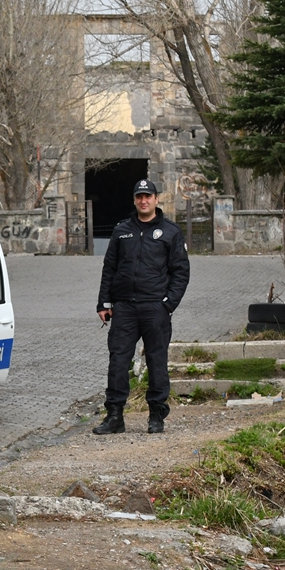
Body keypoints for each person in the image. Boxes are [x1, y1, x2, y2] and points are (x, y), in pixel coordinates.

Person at [93, 179, 190, 435]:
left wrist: (168, 305)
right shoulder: (122, 230)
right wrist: (104, 302)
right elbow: (109, 268)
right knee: (118, 361)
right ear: (134, 200)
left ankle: (156, 416)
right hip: (124, 308)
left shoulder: (170, 232)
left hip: (155, 309)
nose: (143, 201)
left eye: (148, 196)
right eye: (139, 197)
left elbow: (181, 272)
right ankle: (114, 416)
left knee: (157, 361)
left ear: (157, 199)